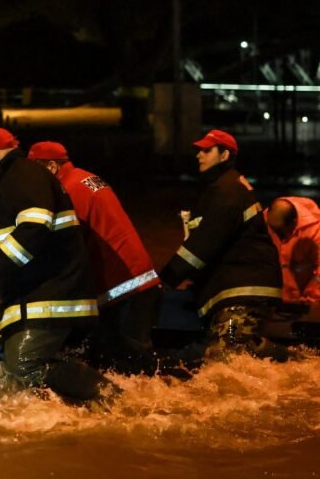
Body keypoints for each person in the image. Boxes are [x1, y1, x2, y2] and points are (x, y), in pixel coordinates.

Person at [0, 127, 112, 404]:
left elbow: (35, 228)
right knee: (17, 372)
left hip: (48, 295)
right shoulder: (19, 180)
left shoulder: (22, 176)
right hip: (37, 294)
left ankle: (112, 398)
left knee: (23, 365)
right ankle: (83, 414)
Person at [27, 140, 160, 375]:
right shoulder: (85, 178)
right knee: (128, 364)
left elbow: (62, 243)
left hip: (122, 286)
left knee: (129, 364)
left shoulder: (68, 190)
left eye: (35, 172)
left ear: (51, 167)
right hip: (136, 278)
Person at [158, 129, 284, 359]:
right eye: (198, 151)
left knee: (227, 358)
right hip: (240, 290)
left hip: (242, 292)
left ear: (224, 155)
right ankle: (287, 359)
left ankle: (291, 360)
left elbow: (203, 244)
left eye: (207, 150)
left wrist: (166, 279)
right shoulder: (226, 187)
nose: (199, 155)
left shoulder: (227, 191)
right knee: (235, 356)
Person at [265, 197, 320, 304]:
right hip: (272, 300)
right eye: (272, 229)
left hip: (304, 301)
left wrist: (312, 297)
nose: (274, 233)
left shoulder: (315, 229)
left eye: (279, 230)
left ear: (293, 223)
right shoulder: (265, 221)